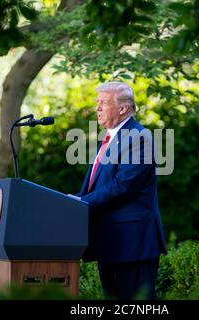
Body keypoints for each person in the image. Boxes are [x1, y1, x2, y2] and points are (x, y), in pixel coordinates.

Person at [72, 81, 167, 300]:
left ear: (123, 108)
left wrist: (81, 203)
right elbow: (97, 186)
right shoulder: (108, 139)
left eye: (103, 103)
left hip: (132, 245)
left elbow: (122, 185)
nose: (97, 108)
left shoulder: (139, 137)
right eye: (97, 103)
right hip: (110, 243)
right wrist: (70, 200)